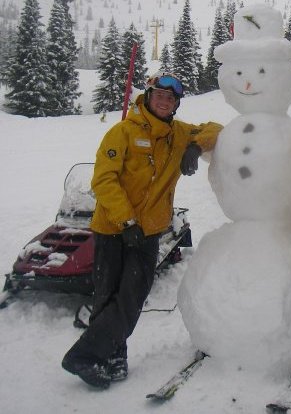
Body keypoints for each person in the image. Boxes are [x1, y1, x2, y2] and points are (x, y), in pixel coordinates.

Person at [62, 71, 222, 389]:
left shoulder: (178, 133)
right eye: (159, 96)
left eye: (170, 98)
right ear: (148, 98)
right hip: (113, 229)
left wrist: (194, 147)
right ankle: (100, 357)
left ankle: (95, 355)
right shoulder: (122, 132)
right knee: (108, 296)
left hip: (149, 232)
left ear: (176, 104)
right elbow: (104, 180)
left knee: (131, 297)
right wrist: (126, 221)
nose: (164, 102)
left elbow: (218, 129)